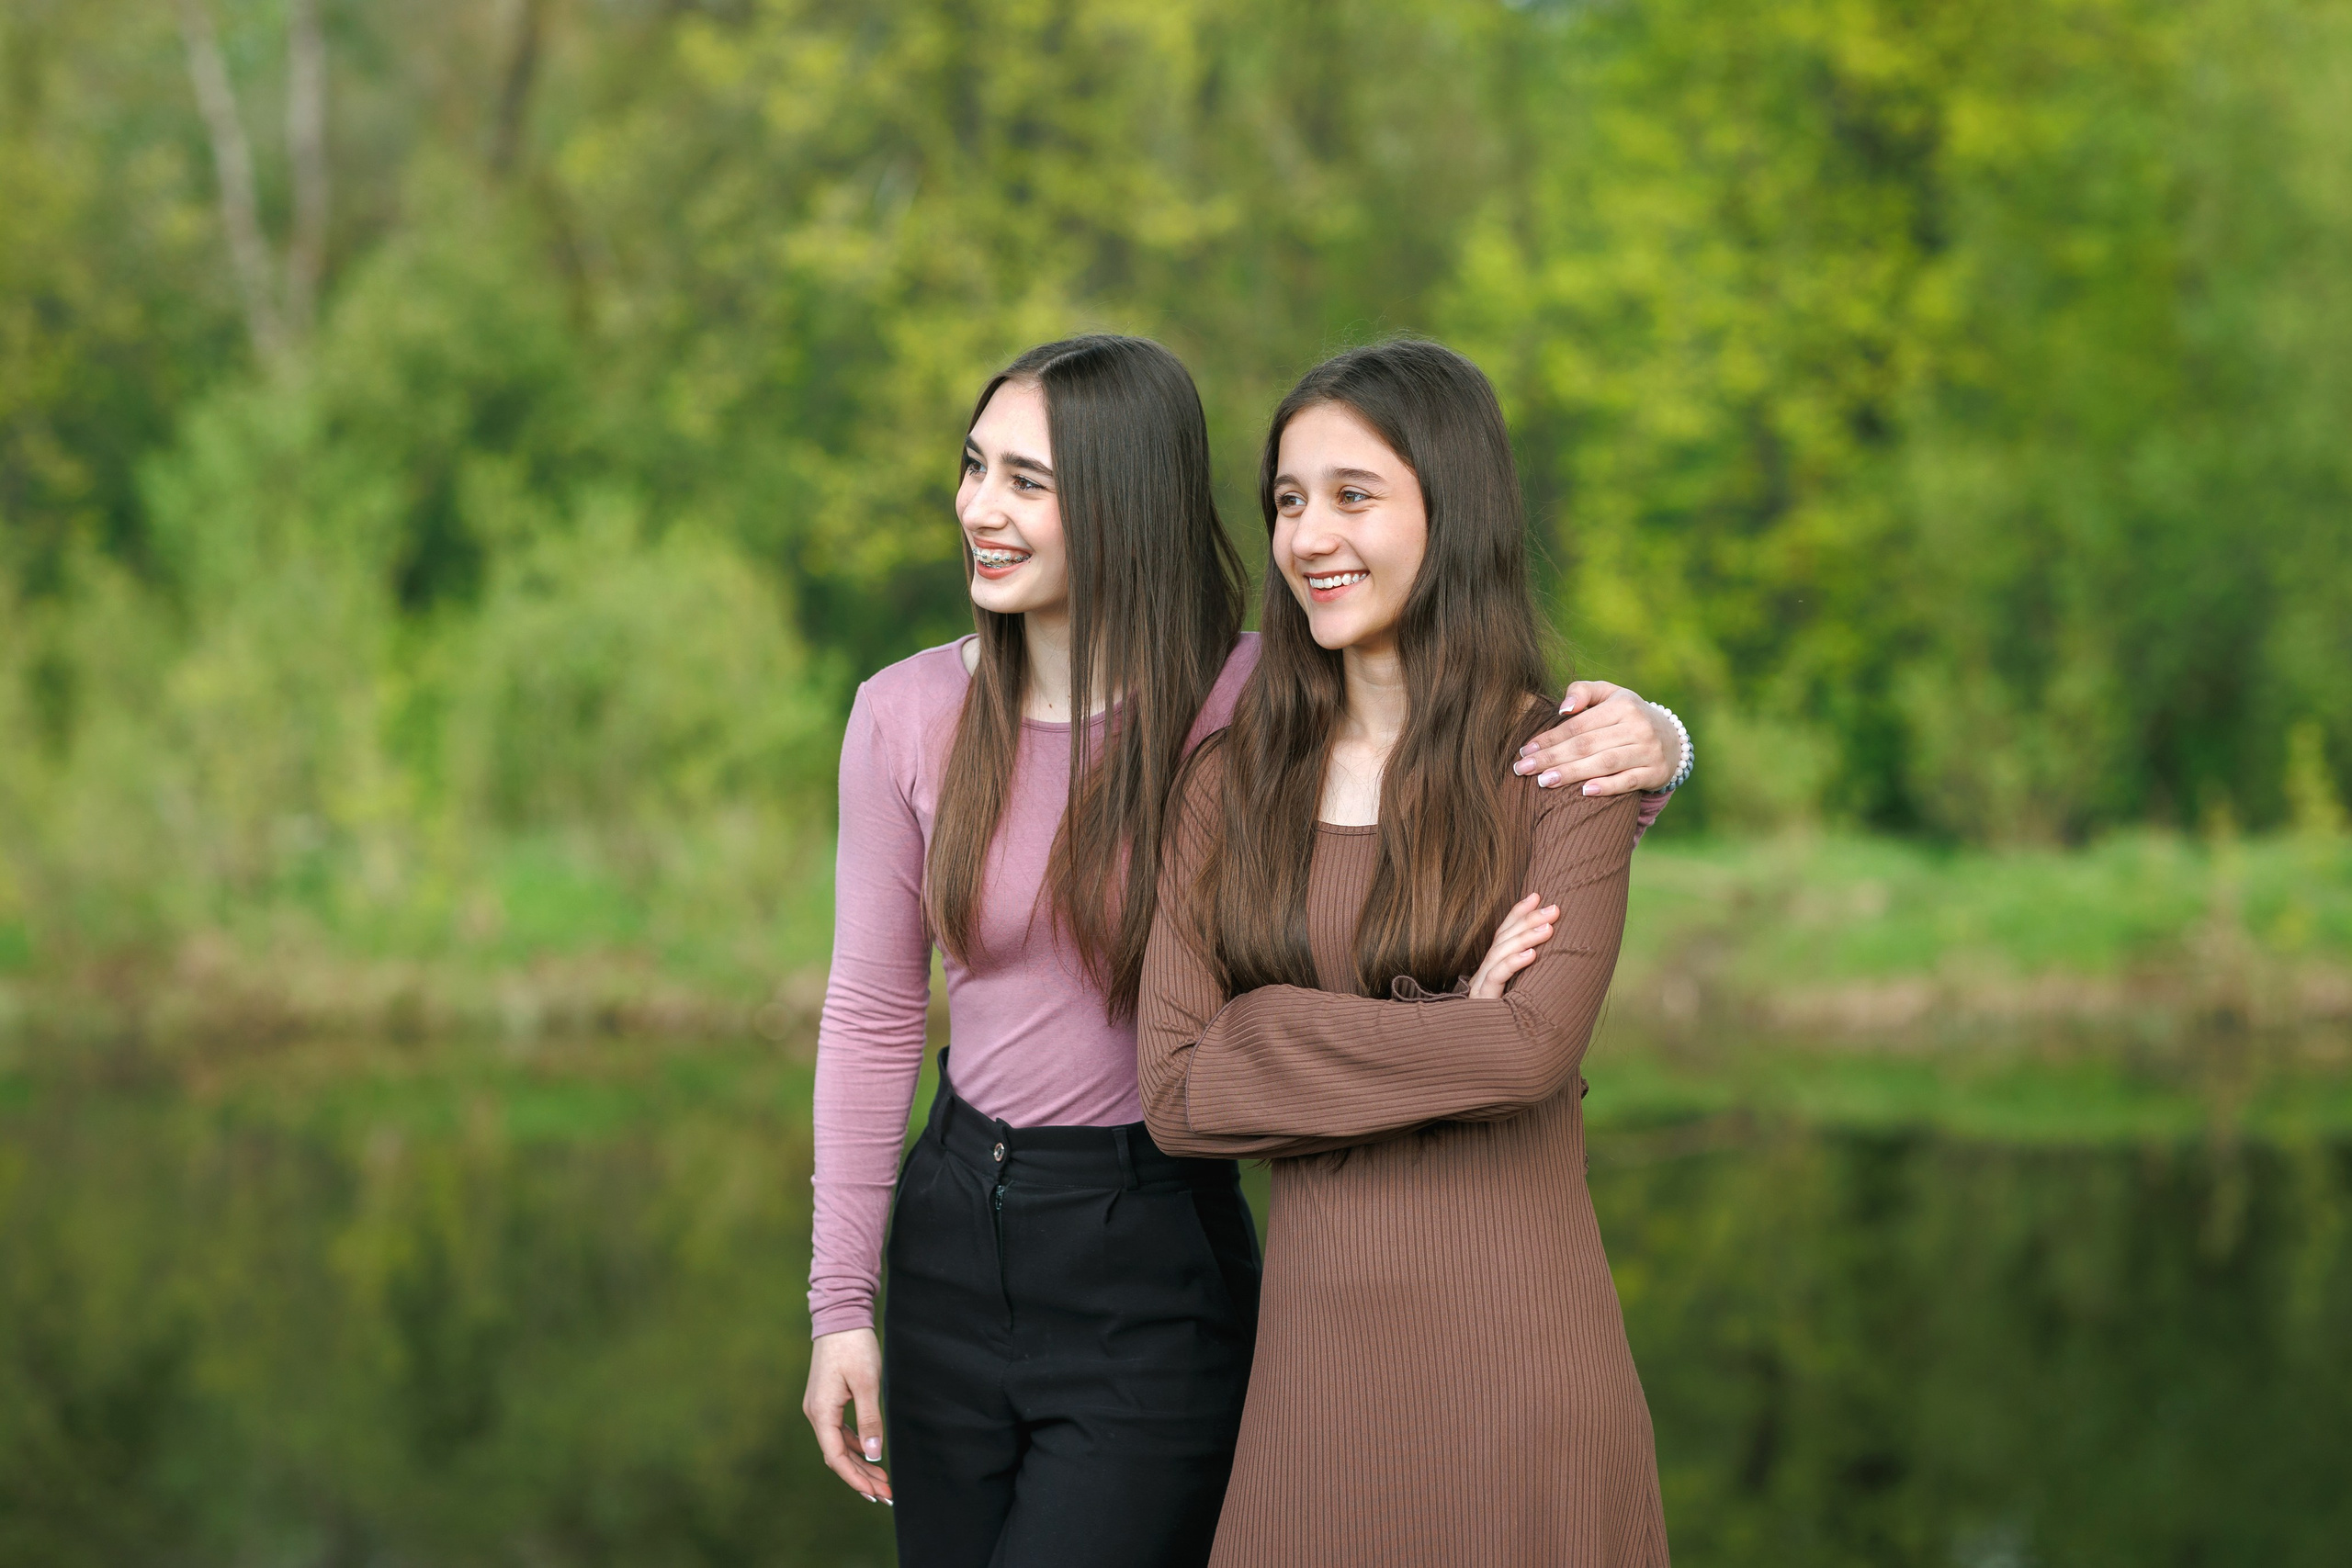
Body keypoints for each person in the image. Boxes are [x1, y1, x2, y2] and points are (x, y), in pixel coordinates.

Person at [803, 333, 1687, 1568]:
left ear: (1118, 504)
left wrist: (1659, 736)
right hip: (960, 1221)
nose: (976, 509)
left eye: (1025, 480)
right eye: (973, 467)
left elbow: (1496, 786)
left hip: (1162, 1247)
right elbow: (892, 1018)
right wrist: (839, 1302)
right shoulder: (936, 718)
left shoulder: (1242, 702)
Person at [1136, 339, 1672, 1566]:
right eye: (1286, 500)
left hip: (1519, 1378)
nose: (1309, 536)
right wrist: (1448, 1024)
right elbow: (1173, 1092)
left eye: (1353, 495)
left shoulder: (1562, 766)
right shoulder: (1225, 785)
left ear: (1455, 507)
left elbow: (1533, 1051)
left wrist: (1263, 1030)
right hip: (1311, 1399)